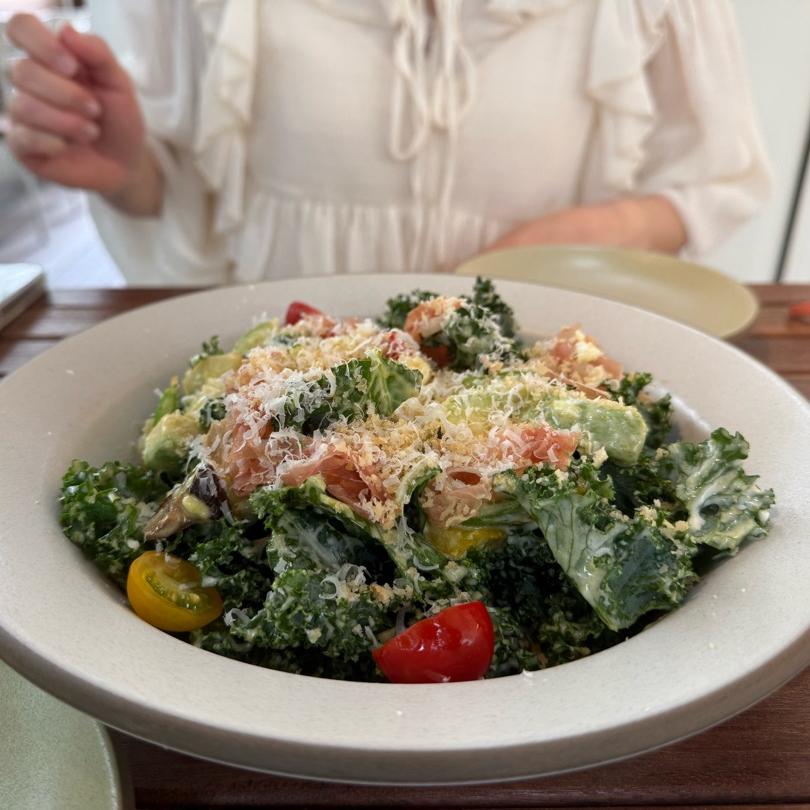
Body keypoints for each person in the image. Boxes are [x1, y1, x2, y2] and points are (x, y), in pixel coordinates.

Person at [5, 1, 770, 285]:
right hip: (267, 372)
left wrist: (584, 236)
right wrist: (126, 169)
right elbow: (172, 193)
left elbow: (714, 183)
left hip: (537, 375)